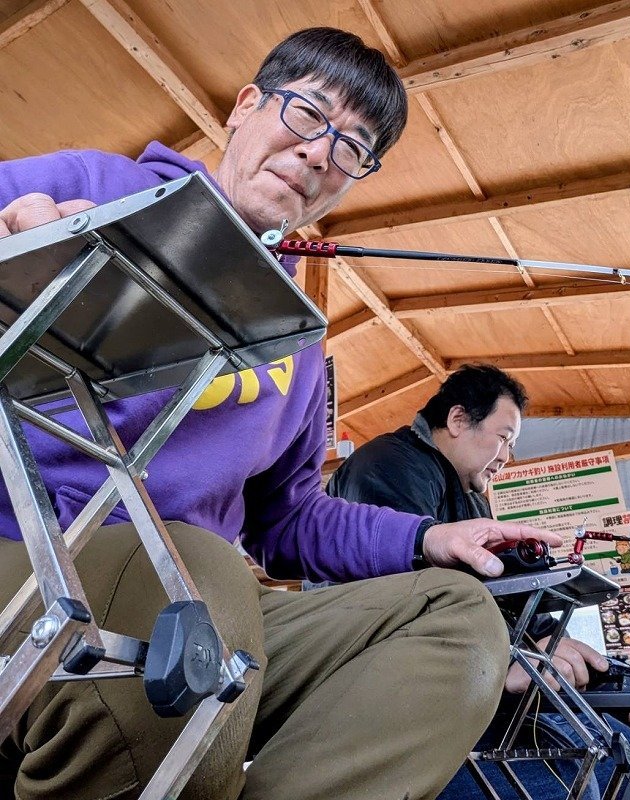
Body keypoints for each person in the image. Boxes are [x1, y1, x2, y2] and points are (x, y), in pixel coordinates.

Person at [0, 27, 563, 800]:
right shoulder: (94, 184)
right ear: (245, 107)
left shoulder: (297, 336)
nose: (320, 153)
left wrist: (428, 537)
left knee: (456, 619)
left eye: (354, 148)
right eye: (307, 115)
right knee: (197, 581)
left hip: (203, 598)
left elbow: (288, 519)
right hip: (33, 560)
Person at [327, 364, 630, 800]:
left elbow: (507, 599)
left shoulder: (473, 502)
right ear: (457, 420)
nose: (507, 456)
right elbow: (406, 593)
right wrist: (507, 657)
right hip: (390, 693)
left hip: (469, 675)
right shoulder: (389, 465)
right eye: (504, 437)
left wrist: (590, 672)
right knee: (564, 779)